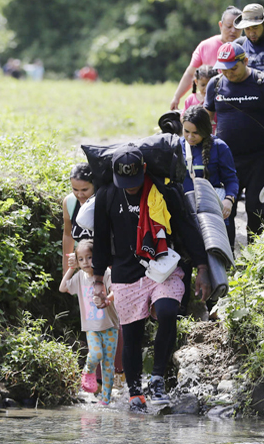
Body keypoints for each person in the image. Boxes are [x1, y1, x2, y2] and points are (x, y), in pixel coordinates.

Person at [92, 144, 210, 412]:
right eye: (124, 182)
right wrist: (98, 279)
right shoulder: (107, 195)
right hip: (125, 273)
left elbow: (187, 228)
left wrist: (202, 266)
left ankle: (157, 378)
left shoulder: (164, 192)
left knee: (168, 311)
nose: (130, 187)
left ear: (144, 170)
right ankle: (135, 394)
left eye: (134, 181)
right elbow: (100, 239)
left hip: (162, 266)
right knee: (132, 335)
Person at [204, 42, 264, 242]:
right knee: (224, 209)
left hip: (260, 159)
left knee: (255, 208)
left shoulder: (263, 83)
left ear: (246, 61)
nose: (229, 73)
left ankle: (255, 257)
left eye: (233, 68)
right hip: (226, 160)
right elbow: (205, 120)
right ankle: (227, 259)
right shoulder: (215, 84)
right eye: (224, 69)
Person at [59, 239, 119, 406]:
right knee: (96, 354)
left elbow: (115, 289)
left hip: (110, 327)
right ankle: (87, 371)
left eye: (90, 257)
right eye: (81, 259)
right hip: (91, 327)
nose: (86, 262)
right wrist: (71, 268)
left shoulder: (105, 273)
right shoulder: (79, 277)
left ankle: (105, 399)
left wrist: (107, 298)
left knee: (108, 364)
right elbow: (63, 288)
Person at [180, 105, 239, 248]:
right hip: (187, 211)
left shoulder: (219, 147)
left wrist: (228, 200)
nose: (190, 137)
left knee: (218, 254)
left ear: (205, 130)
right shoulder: (177, 145)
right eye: (186, 131)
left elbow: (231, 179)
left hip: (213, 210)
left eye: (195, 133)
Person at [169, 6, 242, 111]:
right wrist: (176, 97)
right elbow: (190, 74)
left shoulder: (246, 47)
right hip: (210, 105)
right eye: (229, 26)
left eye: (238, 27)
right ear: (220, 25)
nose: (233, 31)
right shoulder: (205, 46)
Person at [62, 164, 96, 275]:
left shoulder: (104, 201)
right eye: (75, 189)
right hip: (85, 271)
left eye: (85, 189)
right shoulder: (70, 202)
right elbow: (67, 235)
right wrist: (66, 271)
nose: (80, 194)